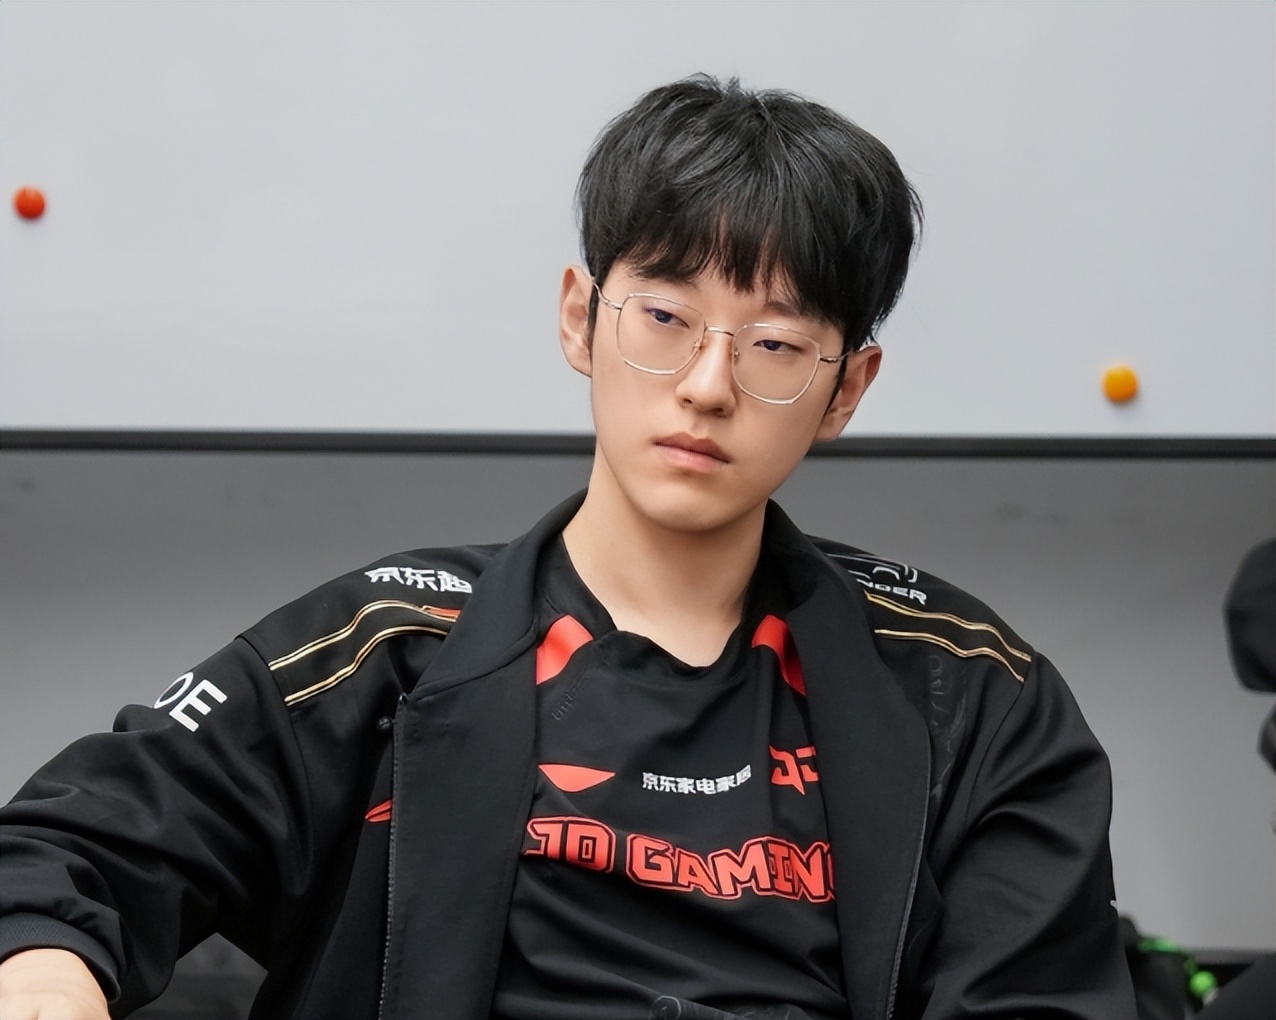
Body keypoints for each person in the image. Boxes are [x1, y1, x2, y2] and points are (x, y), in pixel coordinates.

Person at [0, 76, 1137, 1020]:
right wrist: (48, 976)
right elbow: (64, 853)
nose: (707, 386)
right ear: (579, 319)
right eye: (665, 318)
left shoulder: (972, 694)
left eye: (776, 344)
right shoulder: (383, 646)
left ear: (847, 389)